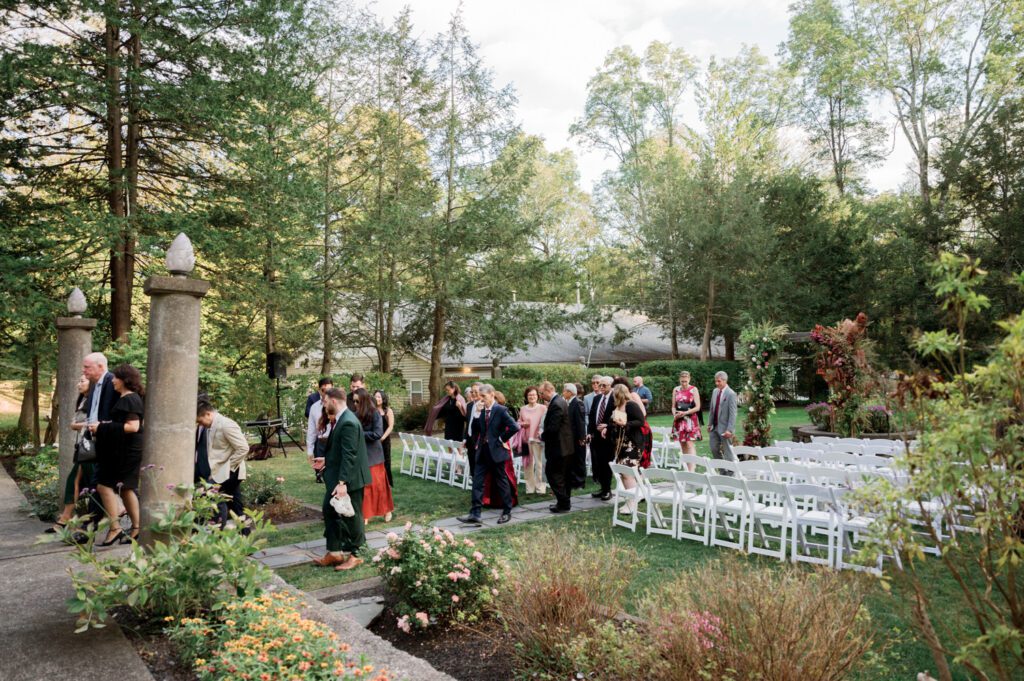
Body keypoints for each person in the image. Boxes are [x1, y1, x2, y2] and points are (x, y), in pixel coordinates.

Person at [312, 388, 371, 571]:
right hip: (338, 476)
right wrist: (326, 460)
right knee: (329, 511)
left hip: (349, 479)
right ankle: (335, 552)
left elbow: (350, 455)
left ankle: (357, 554)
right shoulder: (341, 420)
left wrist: (342, 483)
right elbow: (340, 450)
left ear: (334, 401)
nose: (324, 404)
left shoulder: (348, 422)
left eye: (325, 401)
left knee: (352, 517)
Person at [90, 364, 144, 546]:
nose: (112, 380)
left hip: (126, 452)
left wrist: (102, 427)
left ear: (123, 380)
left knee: (104, 486)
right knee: (126, 487)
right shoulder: (127, 398)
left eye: (115, 378)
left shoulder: (131, 399)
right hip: (121, 450)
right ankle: (136, 528)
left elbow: (133, 427)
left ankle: (116, 528)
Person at [457, 384, 519, 525]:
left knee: (501, 481)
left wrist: (501, 439)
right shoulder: (482, 410)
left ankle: (507, 511)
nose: (481, 399)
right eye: (480, 396)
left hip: (496, 452)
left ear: (492, 394)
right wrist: (477, 414)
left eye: (483, 396)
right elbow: (476, 429)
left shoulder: (501, 410)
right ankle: (475, 513)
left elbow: (515, 427)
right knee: (477, 482)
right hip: (482, 452)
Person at [48, 374, 95, 534]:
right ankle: (66, 518)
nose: (78, 384)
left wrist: (77, 425)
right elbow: (75, 424)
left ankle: (119, 511)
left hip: (93, 449)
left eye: (82, 381)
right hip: (84, 447)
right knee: (73, 481)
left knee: (98, 485)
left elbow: (91, 423)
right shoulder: (83, 400)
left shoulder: (96, 401)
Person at [196, 402, 250, 529]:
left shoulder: (226, 425)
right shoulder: (212, 426)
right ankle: (245, 536)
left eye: (200, 421)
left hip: (231, 471)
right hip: (221, 472)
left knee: (215, 498)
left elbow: (243, 448)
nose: (200, 424)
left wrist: (228, 468)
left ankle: (217, 535)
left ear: (208, 414)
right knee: (236, 505)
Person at [351, 388, 393, 524]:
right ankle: (366, 514)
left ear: (363, 400)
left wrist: (359, 434)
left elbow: (377, 434)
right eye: (354, 401)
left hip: (374, 455)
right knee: (365, 487)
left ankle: (386, 510)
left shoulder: (375, 413)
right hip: (361, 454)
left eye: (357, 401)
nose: (355, 404)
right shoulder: (355, 414)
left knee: (379, 486)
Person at [608, 384, 645, 514]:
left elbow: (640, 421)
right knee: (622, 473)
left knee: (628, 473)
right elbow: (613, 422)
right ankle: (629, 500)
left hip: (632, 444)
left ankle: (633, 502)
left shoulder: (631, 405)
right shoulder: (617, 407)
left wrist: (626, 424)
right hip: (620, 444)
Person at [540, 382, 573, 513]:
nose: (541, 396)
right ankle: (563, 502)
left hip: (559, 447)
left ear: (549, 391)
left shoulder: (557, 404)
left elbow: (553, 428)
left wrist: (542, 436)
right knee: (561, 475)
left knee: (553, 474)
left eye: (542, 393)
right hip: (564, 446)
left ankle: (564, 502)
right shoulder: (560, 401)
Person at [587, 376, 614, 501]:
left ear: (611, 386)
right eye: (600, 385)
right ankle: (602, 488)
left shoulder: (615, 398)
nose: (601, 387)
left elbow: (620, 417)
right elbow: (592, 416)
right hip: (596, 436)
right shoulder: (597, 398)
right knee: (598, 463)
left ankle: (607, 490)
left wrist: (608, 426)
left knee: (606, 463)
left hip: (608, 436)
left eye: (604, 385)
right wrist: (589, 432)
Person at [517, 385, 547, 495]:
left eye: (534, 394)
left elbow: (545, 423)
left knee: (539, 464)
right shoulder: (523, 409)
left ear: (538, 396)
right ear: (526, 396)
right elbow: (518, 422)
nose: (532, 396)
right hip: (526, 440)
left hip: (538, 440)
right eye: (529, 395)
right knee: (527, 464)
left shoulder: (543, 408)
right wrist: (522, 424)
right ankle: (530, 488)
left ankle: (540, 488)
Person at [672, 371, 702, 470]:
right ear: (679, 380)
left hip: (690, 420)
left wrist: (685, 413)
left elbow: (698, 407)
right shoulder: (676, 390)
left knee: (689, 443)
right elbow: (673, 406)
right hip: (679, 420)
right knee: (682, 443)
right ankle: (687, 468)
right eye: (682, 381)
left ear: (689, 379)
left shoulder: (694, 389)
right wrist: (674, 415)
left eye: (685, 381)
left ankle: (692, 469)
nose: (684, 383)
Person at [307, 378, 336, 480]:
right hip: (321, 442)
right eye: (324, 390)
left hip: (333, 441)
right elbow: (311, 430)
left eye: (329, 390)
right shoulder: (314, 407)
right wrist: (310, 450)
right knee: (322, 472)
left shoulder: (338, 405)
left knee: (333, 471)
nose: (327, 393)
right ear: (319, 391)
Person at [707, 371, 738, 462]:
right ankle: (723, 471)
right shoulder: (715, 391)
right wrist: (709, 424)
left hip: (725, 429)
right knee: (714, 449)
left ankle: (731, 472)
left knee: (728, 452)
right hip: (714, 427)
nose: (717, 383)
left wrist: (729, 429)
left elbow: (733, 414)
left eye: (719, 381)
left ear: (725, 381)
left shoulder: (731, 394)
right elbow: (712, 409)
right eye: (716, 381)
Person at [564, 383, 588, 489]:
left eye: (564, 391)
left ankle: (580, 483)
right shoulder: (569, 402)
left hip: (578, 437)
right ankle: (574, 481)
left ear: (570, 392)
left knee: (579, 460)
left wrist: (582, 438)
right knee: (573, 460)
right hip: (571, 438)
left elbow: (580, 422)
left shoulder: (578, 403)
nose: (563, 393)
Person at [374, 390, 395, 489]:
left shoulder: (388, 411)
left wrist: (382, 437)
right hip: (374, 440)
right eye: (375, 396)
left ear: (383, 398)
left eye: (379, 397)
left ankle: (388, 483)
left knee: (386, 461)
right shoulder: (372, 410)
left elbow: (390, 426)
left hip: (385, 440)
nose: (377, 399)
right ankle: (377, 482)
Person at [463, 383, 483, 477]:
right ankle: (474, 483)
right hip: (470, 439)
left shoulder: (484, 405)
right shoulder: (469, 405)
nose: (473, 393)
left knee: (480, 464)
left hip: (480, 439)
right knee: (472, 463)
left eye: (476, 391)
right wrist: (465, 438)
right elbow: (468, 423)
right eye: (472, 391)